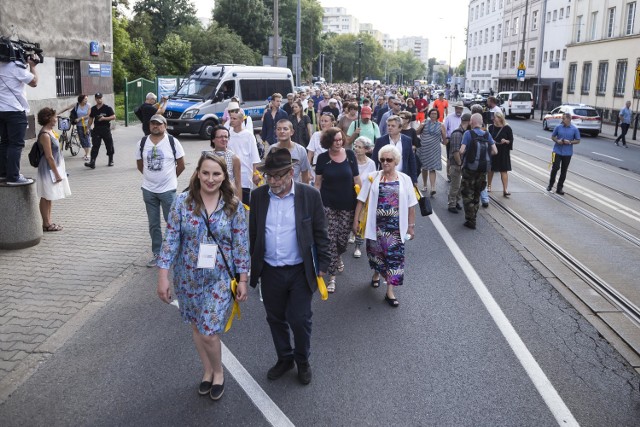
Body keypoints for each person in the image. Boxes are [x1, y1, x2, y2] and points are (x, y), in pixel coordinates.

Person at [157, 153, 250, 401]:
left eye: (216, 174)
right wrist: (163, 276)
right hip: (187, 277)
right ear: (198, 173)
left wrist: (242, 280)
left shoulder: (233, 206)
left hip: (219, 277)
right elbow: (171, 240)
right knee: (198, 327)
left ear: (224, 176)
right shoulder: (182, 203)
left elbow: (241, 245)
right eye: (206, 173)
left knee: (209, 330)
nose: (210, 179)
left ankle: (218, 372)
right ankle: (207, 370)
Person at [249, 148, 331, 385]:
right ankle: (284, 358)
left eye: (277, 176)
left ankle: (302, 360)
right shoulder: (259, 196)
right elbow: (254, 233)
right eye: (268, 176)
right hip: (271, 270)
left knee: (299, 319)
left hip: (299, 270)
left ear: (291, 172)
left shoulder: (309, 196)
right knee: (275, 318)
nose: (272, 181)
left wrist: (323, 265)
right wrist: (250, 268)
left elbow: (320, 232)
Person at [353, 145, 417, 308]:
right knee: (376, 256)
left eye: (389, 160)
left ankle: (390, 291)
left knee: (395, 259)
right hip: (376, 227)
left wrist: (411, 226)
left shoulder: (405, 179)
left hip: (396, 229)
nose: (385, 163)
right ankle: (376, 273)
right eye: (382, 160)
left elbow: (411, 205)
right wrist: (356, 221)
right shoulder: (372, 177)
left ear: (396, 161)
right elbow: (361, 200)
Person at [314, 128, 361, 293]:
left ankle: (338, 256)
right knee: (331, 240)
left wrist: (361, 204)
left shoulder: (350, 156)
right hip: (328, 205)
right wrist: (316, 204)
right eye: (335, 140)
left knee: (342, 240)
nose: (339, 142)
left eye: (341, 139)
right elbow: (317, 183)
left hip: (348, 205)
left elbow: (356, 179)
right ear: (328, 141)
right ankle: (332, 277)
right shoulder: (322, 158)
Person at [136, 114, 186, 267]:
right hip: (148, 190)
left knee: (172, 222)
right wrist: (151, 179)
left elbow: (181, 165)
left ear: (164, 126)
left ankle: (174, 252)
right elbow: (140, 165)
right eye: (153, 124)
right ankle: (157, 253)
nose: (155, 126)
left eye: (158, 124)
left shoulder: (172, 142)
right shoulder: (142, 142)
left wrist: (170, 179)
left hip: (168, 190)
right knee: (153, 224)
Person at [0, 54, 38, 185]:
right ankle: (13, 176)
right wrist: (32, 66)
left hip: (1, 111)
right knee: (16, 144)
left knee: (4, 143)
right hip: (15, 111)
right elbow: (34, 82)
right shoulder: (15, 67)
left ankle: (3, 173)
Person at [35, 108, 71, 231]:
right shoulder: (45, 134)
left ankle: (48, 222)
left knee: (49, 196)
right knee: (46, 196)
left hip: (52, 168)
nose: (56, 119)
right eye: (55, 117)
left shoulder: (50, 131)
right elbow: (49, 156)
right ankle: (46, 224)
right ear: (48, 118)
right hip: (48, 170)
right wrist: (57, 174)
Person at [459, 113, 498, 229]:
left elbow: (461, 151)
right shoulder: (487, 134)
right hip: (482, 170)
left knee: (467, 194)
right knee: (477, 193)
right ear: (481, 123)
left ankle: (470, 220)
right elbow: (495, 151)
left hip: (469, 170)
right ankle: (474, 215)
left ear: (472, 122)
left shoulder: (468, 133)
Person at [227, 111, 261, 206]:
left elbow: (254, 156)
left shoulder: (249, 135)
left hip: (245, 175)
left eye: (235, 118)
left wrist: (255, 173)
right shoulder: (228, 134)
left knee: (244, 203)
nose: (232, 120)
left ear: (242, 120)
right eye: (231, 118)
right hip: (230, 174)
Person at [372, 115, 418, 184]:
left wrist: (414, 179)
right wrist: (374, 178)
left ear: (400, 128)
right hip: (385, 178)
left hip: (402, 178)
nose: (390, 128)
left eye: (393, 126)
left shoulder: (407, 140)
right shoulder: (380, 141)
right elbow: (374, 160)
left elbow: (411, 160)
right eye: (388, 125)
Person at [264, 119, 311, 184]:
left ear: (292, 132)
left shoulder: (300, 150)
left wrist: (304, 192)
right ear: (275, 132)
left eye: (285, 129)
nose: (282, 131)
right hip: (276, 189)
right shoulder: (272, 149)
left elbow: (305, 176)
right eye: (279, 129)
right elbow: (268, 172)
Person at [352, 136, 376, 258]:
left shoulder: (371, 163)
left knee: (361, 220)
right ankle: (351, 233)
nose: (356, 149)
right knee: (350, 218)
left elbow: (373, 181)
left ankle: (358, 246)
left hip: (364, 196)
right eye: (355, 146)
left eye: (359, 147)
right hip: (350, 194)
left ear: (366, 149)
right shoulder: (350, 160)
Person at [547, 112, 580, 195]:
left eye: (564, 118)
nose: (562, 119)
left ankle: (559, 188)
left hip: (567, 153)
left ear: (569, 119)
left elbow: (578, 140)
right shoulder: (558, 127)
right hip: (556, 151)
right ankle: (550, 185)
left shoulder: (574, 129)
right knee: (555, 168)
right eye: (562, 118)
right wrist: (557, 141)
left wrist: (569, 142)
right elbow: (553, 137)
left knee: (564, 171)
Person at [416, 108, 447, 195]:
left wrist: (444, 134)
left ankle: (433, 187)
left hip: (434, 149)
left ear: (438, 115)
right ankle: (425, 185)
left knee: (432, 168)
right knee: (424, 167)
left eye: (435, 114)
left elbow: (445, 141)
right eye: (432, 114)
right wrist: (421, 127)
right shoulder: (424, 123)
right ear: (429, 115)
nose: (433, 115)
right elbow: (416, 133)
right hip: (423, 148)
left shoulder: (441, 125)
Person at [209, 126, 242, 200]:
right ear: (213, 139)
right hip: (210, 195)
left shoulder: (234, 158)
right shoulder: (207, 157)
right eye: (220, 137)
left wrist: (239, 204)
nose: (224, 139)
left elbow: (238, 183)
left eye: (226, 137)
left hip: (228, 197)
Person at [447, 113, 471, 213]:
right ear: (468, 122)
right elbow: (456, 151)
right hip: (456, 164)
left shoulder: (465, 132)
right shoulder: (457, 133)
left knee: (460, 186)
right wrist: (460, 163)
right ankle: (451, 204)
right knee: (455, 186)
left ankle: (456, 202)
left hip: (461, 163)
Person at [84, 93, 116, 169]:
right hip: (97, 129)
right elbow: (91, 119)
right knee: (95, 146)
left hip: (105, 129)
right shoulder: (94, 109)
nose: (99, 99)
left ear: (102, 98)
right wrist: (88, 128)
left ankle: (110, 160)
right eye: (98, 98)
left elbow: (114, 117)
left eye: (100, 98)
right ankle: (92, 162)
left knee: (109, 145)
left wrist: (104, 118)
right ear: (95, 99)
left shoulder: (107, 108)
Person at [487, 112, 513, 197]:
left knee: (504, 170)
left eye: (495, 117)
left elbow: (511, 140)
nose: (493, 119)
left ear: (500, 118)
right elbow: (487, 138)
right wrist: (491, 142)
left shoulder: (507, 128)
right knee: (491, 169)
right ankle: (489, 186)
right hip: (493, 151)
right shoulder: (491, 127)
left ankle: (505, 189)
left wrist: (506, 141)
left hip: (503, 152)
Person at [60, 94, 92, 161]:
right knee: (82, 139)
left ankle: (88, 154)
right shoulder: (77, 105)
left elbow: (88, 115)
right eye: (85, 99)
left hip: (86, 125)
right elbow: (67, 108)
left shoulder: (88, 105)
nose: (86, 100)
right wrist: (57, 113)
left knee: (87, 138)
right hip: (78, 125)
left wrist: (80, 118)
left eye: (86, 99)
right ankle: (86, 154)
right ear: (81, 100)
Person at [470, 103, 491, 208]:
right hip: (484, 158)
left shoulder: (472, 124)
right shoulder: (484, 124)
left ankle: (473, 199)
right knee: (483, 180)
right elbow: (493, 148)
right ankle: (485, 198)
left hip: (473, 158)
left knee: (471, 180)